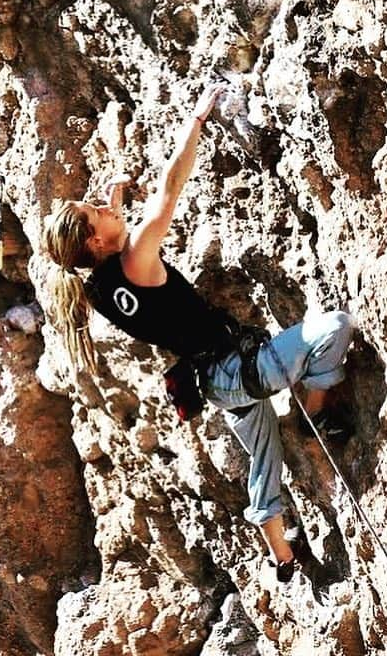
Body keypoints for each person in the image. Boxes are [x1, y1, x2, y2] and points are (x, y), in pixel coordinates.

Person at [43, 82, 355, 582]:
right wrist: (195, 121)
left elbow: (117, 248)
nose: (101, 207)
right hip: (236, 367)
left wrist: (113, 205)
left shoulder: (97, 285)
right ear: (96, 241)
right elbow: (169, 191)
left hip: (214, 382)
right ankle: (312, 412)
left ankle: (281, 555)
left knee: (264, 453)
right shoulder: (136, 259)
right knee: (335, 328)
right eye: (94, 213)